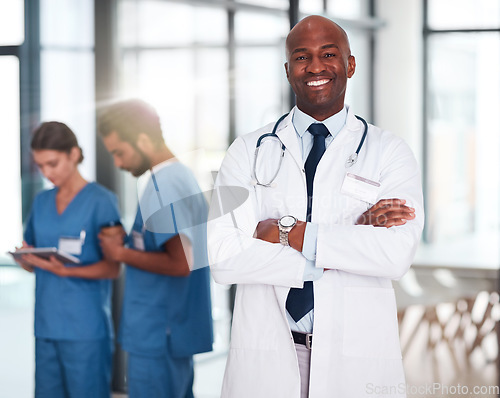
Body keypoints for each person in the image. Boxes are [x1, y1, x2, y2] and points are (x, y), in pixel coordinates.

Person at [207, 15, 424, 398]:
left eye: (329, 54)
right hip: (268, 355)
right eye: (302, 57)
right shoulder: (247, 151)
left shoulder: (390, 152)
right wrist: (350, 242)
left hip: (354, 357)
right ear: (288, 69)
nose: (316, 67)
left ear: (350, 64)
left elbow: (394, 255)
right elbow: (223, 258)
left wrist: (287, 233)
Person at [97, 99, 213, 398]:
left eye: (119, 152)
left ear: (144, 140)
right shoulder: (180, 176)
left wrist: (120, 253)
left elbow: (180, 263)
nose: (118, 163)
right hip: (171, 330)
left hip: (158, 333)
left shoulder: (163, 185)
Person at [15, 121, 122, 398]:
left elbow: (113, 267)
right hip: (47, 326)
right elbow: (33, 258)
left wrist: (66, 272)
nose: (46, 172)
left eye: (52, 163)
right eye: (40, 166)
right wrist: (26, 259)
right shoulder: (40, 202)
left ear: (74, 154)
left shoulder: (102, 201)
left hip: (85, 328)